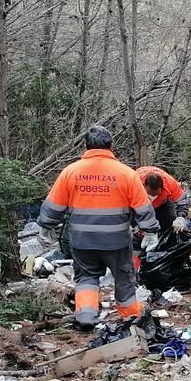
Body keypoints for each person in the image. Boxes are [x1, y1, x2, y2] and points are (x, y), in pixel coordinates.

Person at [37, 126, 160, 328]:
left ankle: (86, 316)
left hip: (82, 241)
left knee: (86, 277)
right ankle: (130, 315)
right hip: (117, 241)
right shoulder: (126, 173)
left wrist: (46, 225)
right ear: (111, 146)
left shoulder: (71, 172)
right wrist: (151, 231)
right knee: (124, 276)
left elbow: (54, 204)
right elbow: (142, 206)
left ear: (86, 146)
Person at [136, 165, 190, 234]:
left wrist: (181, 217)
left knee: (170, 221)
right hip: (139, 205)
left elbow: (182, 201)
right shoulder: (134, 182)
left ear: (162, 187)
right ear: (144, 185)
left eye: (156, 194)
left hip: (162, 203)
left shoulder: (170, 184)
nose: (153, 197)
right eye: (150, 194)